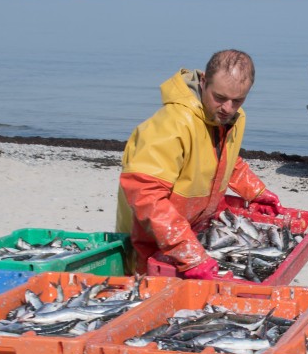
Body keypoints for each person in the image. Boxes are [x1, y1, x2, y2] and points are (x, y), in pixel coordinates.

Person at [115, 49, 282, 278]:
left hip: (189, 234)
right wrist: (188, 254)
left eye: (238, 100)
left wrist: (256, 192)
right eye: (220, 98)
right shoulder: (173, 124)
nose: (228, 108)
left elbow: (225, 159)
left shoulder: (232, 119)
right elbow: (146, 195)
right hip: (148, 242)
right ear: (204, 81)